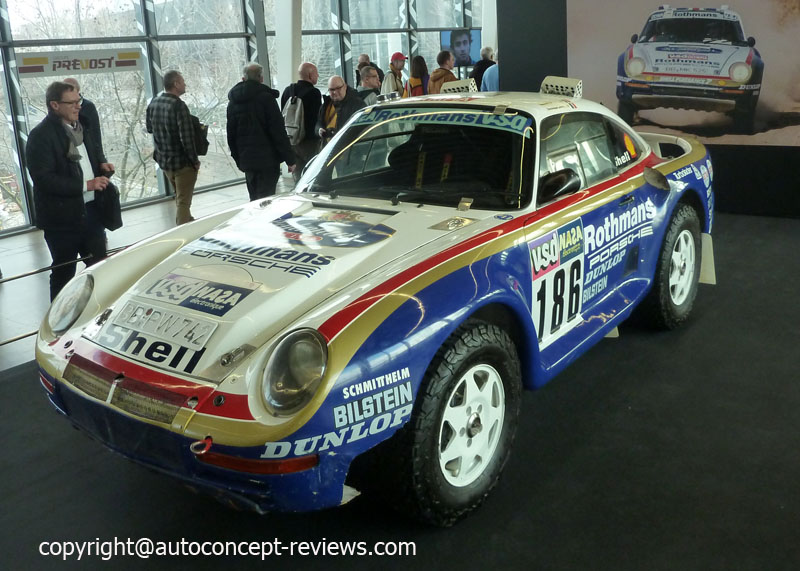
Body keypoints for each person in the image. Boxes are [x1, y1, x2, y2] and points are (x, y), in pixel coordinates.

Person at [26, 81, 112, 300]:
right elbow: (43, 179)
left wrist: (101, 167)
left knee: (101, 269)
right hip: (61, 219)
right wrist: (86, 185)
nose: (78, 106)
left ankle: (97, 318)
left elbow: (91, 158)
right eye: (72, 102)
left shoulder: (83, 127)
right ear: (55, 105)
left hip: (91, 212)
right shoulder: (41, 136)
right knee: (64, 273)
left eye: (79, 101)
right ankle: (57, 325)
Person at [227, 63, 296, 201]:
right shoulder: (266, 99)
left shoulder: (233, 103)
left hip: (247, 161)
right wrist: (290, 159)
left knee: (254, 200)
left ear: (243, 78)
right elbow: (278, 132)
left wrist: (238, 160)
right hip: (267, 161)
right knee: (266, 200)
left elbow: (231, 135)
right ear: (261, 79)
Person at [146, 70, 200, 225]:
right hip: (182, 163)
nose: (185, 84)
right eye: (183, 81)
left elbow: (149, 128)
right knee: (184, 201)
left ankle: (188, 222)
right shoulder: (179, 106)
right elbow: (186, 138)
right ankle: (182, 231)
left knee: (180, 196)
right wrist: (194, 160)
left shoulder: (154, 102)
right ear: (176, 84)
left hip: (164, 161)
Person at [62, 78, 114, 177]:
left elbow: (96, 136)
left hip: (89, 156)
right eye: (69, 102)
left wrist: (101, 160)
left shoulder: (88, 108)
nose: (76, 107)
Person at [281, 62, 323, 181]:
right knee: (312, 175)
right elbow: (316, 118)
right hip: (308, 142)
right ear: (310, 75)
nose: (318, 76)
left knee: (298, 177)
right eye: (316, 73)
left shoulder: (287, 91)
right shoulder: (314, 93)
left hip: (292, 141)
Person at [317, 75, 365, 147]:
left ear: (345, 87)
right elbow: (319, 122)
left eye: (338, 88)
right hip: (328, 149)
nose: (335, 92)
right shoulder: (326, 105)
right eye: (331, 90)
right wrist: (319, 130)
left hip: (350, 148)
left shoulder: (357, 104)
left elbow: (363, 127)